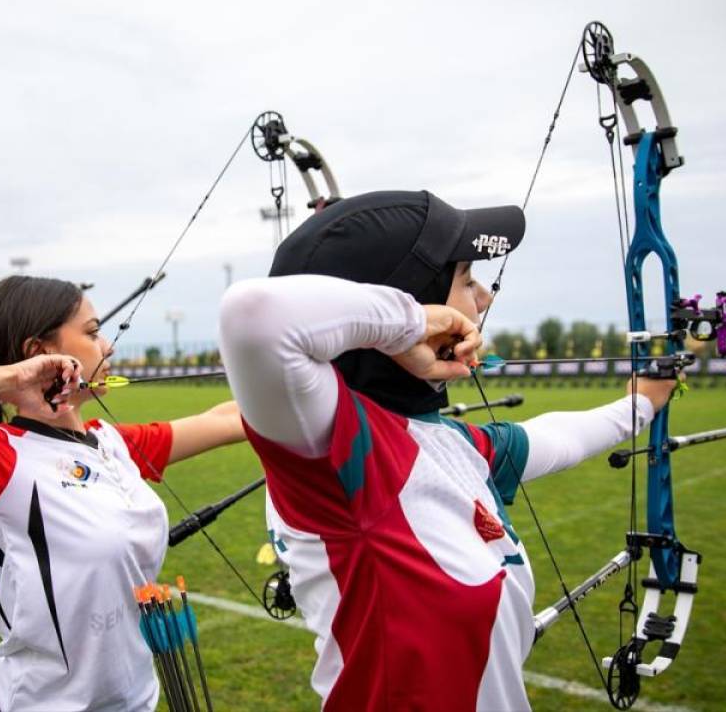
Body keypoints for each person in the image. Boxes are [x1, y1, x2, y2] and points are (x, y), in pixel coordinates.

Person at [217, 190, 680, 711]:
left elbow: (555, 439)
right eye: (465, 280)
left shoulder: (447, 444)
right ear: (418, 300)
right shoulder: (339, 457)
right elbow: (252, 315)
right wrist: (412, 324)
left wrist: (640, 405)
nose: (482, 298)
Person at [0, 275, 247, 712]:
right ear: (40, 353)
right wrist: (11, 377)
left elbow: (226, 419)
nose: (108, 347)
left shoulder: (111, 443)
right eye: (93, 333)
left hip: (134, 700)